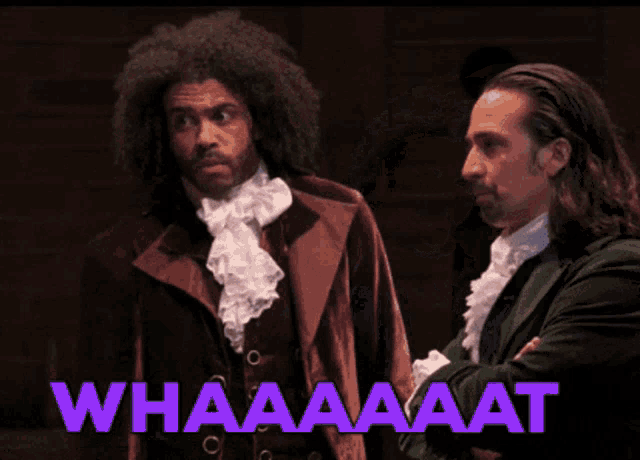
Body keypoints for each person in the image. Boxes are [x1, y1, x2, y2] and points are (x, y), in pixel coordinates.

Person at [74, 11, 414, 460]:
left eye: (222, 115)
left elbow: (386, 373)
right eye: (183, 121)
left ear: (258, 119)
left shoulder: (339, 216)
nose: (204, 137)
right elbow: (108, 423)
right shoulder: (124, 251)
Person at [399, 63, 640, 459]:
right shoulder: (512, 268)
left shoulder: (619, 272)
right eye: (471, 146)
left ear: (556, 155)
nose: (468, 168)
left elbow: (514, 404)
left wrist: (446, 384)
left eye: (490, 145)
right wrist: (482, 401)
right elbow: (411, 421)